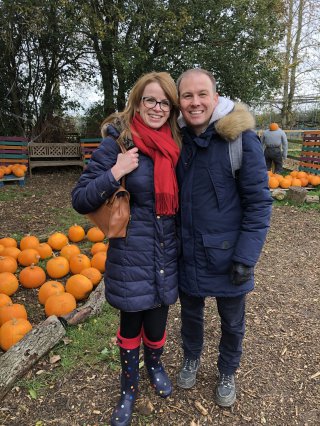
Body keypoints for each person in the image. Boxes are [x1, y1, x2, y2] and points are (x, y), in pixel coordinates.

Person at [71, 72, 181, 426]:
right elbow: (80, 198)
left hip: (168, 252)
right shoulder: (118, 144)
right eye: (150, 99)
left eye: (164, 102)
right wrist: (114, 172)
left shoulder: (178, 144)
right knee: (132, 321)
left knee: (158, 320)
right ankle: (128, 388)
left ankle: (155, 366)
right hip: (131, 254)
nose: (157, 107)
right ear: (137, 101)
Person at [175, 68, 273, 408]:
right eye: (187, 95)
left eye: (202, 94)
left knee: (232, 321)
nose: (195, 102)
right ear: (180, 101)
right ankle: (191, 357)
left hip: (229, 256)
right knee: (190, 315)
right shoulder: (178, 140)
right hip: (188, 252)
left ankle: (227, 370)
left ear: (216, 98)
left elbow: (259, 202)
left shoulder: (239, 139)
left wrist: (246, 257)